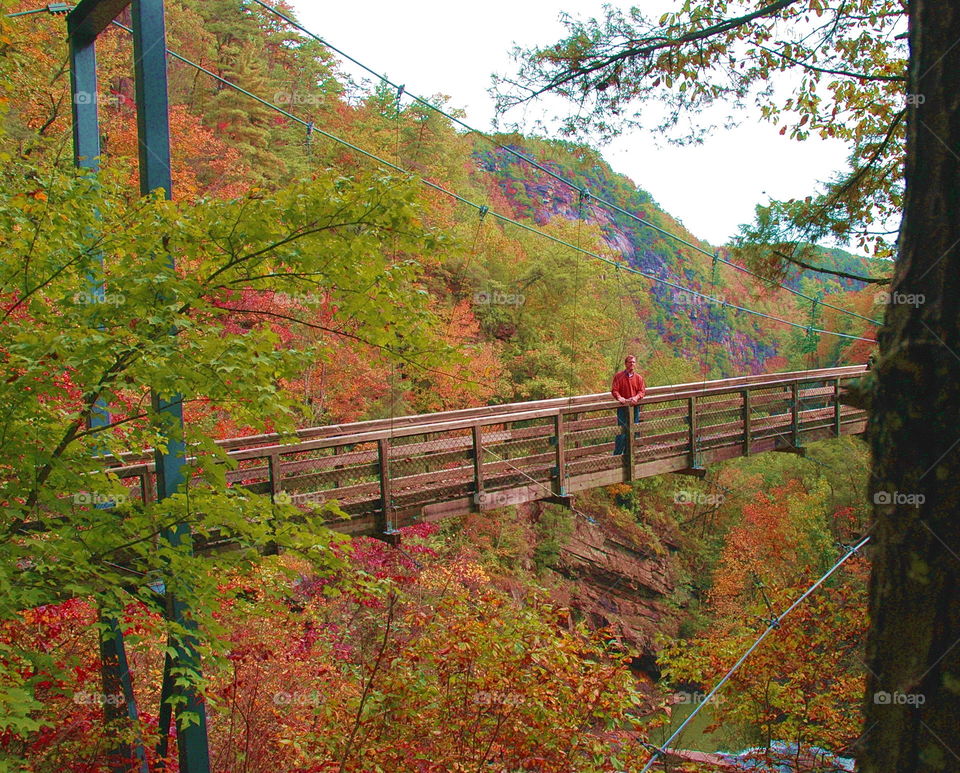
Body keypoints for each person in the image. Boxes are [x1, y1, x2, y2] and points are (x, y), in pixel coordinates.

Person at [612, 355, 646, 456]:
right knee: (621, 432)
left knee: (633, 431)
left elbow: (642, 391)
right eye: (630, 362)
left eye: (633, 362)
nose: (632, 364)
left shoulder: (639, 378)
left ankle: (628, 454)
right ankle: (617, 455)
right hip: (623, 408)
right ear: (626, 364)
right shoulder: (619, 376)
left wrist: (636, 397)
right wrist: (619, 398)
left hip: (634, 407)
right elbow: (614, 390)